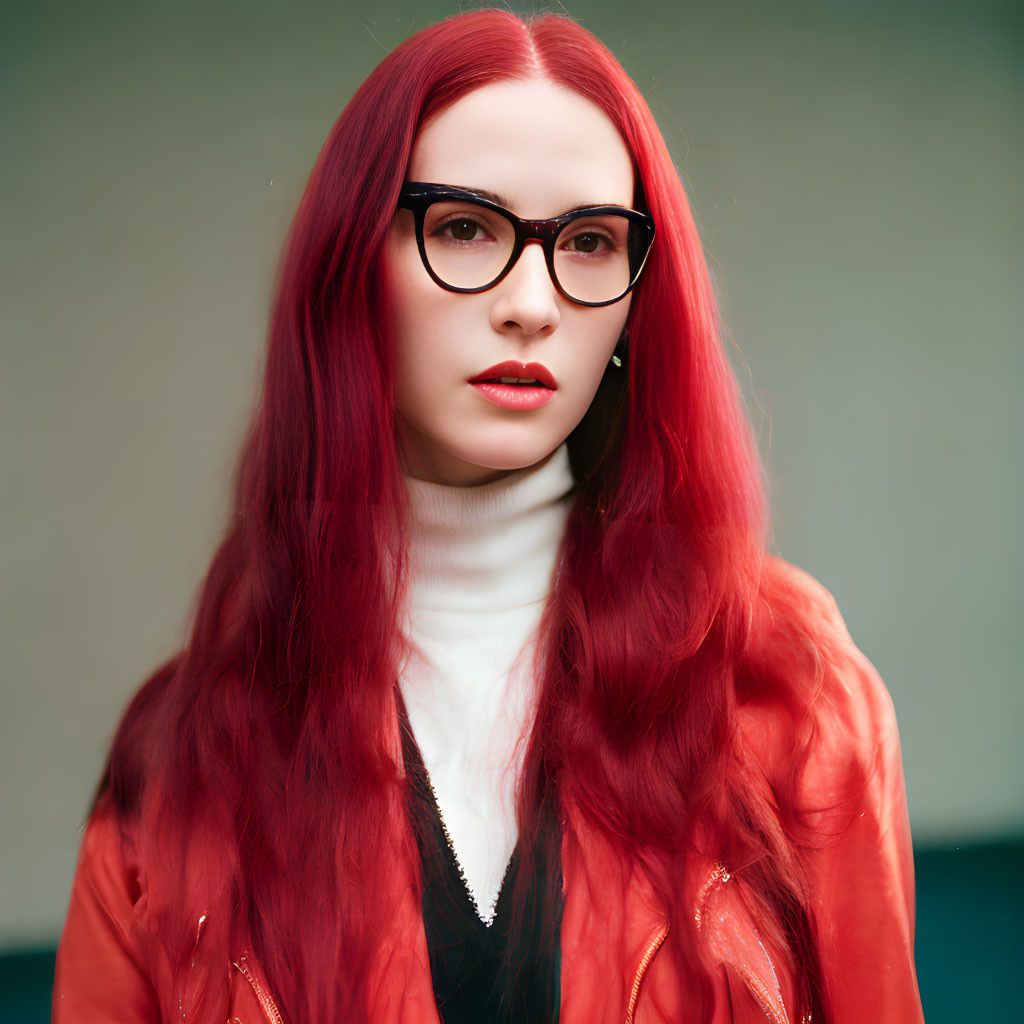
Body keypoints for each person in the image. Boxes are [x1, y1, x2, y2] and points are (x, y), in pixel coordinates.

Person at [52, 9, 924, 1024]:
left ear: (637, 306)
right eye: (464, 226)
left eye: (591, 242)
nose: (531, 301)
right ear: (351, 273)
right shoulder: (177, 768)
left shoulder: (788, 691)